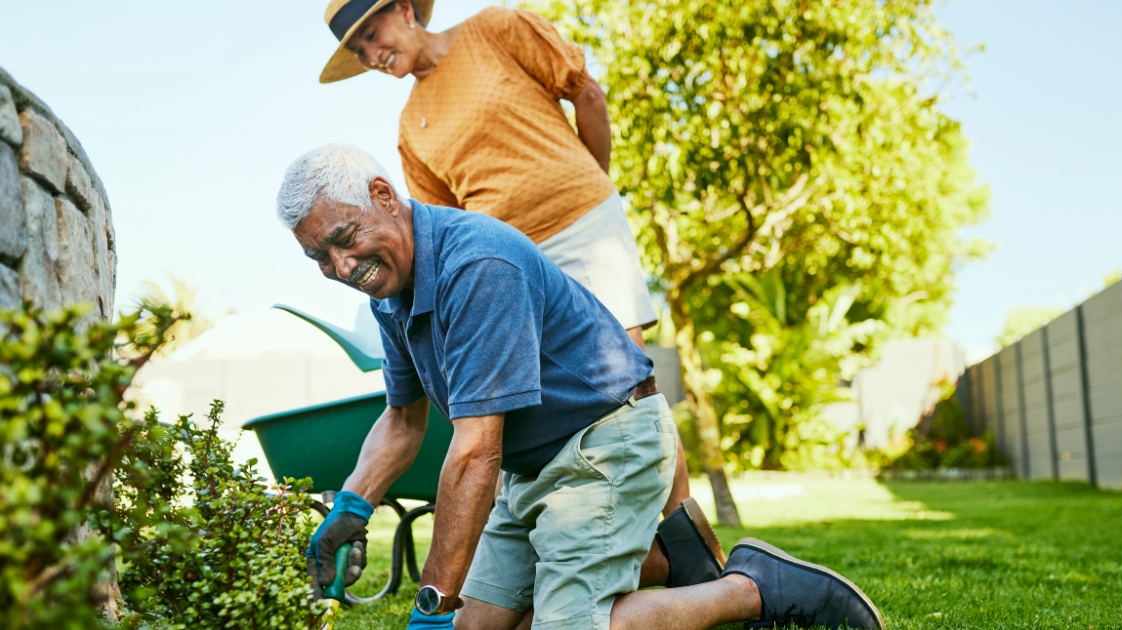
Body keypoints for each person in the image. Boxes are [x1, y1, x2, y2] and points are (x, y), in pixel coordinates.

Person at [278, 144, 884, 630]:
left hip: (607, 441)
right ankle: (658, 560)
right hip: (532, 470)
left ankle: (752, 589)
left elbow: (474, 453)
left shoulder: (475, 265)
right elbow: (403, 420)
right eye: (319, 258)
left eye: (344, 239)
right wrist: (350, 508)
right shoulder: (391, 290)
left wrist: (430, 604)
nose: (340, 268)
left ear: (383, 196)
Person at [316, 0, 705, 589]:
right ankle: (592, 545)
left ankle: (691, 549)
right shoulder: (410, 124)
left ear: (403, 9)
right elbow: (440, 225)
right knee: (525, 408)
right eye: (360, 50)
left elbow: (587, 96)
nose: (373, 54)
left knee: (626, 383)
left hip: (582, 224)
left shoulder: (496, 28)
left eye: (372, 33)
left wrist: (591, 189)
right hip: (508, 262)